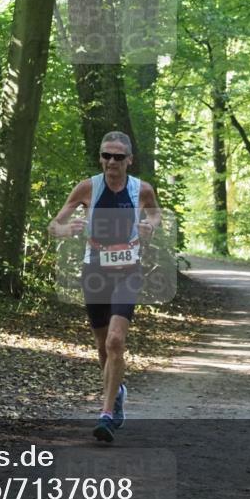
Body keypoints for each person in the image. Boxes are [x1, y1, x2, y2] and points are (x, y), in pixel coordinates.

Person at [48, 131, 162, 441]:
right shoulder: (88, 187)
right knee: (102, 346)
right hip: (95, 270)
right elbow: (54, 225)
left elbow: (155, 214)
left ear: (129, 160)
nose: (111, 161)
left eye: (118, 156)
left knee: (115, 342)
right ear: (100, 158)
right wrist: (65, 230)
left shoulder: (142, 190)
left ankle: (107, 414)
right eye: (106, 155)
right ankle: (118, 391)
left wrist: (149, 226)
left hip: (128, 270)